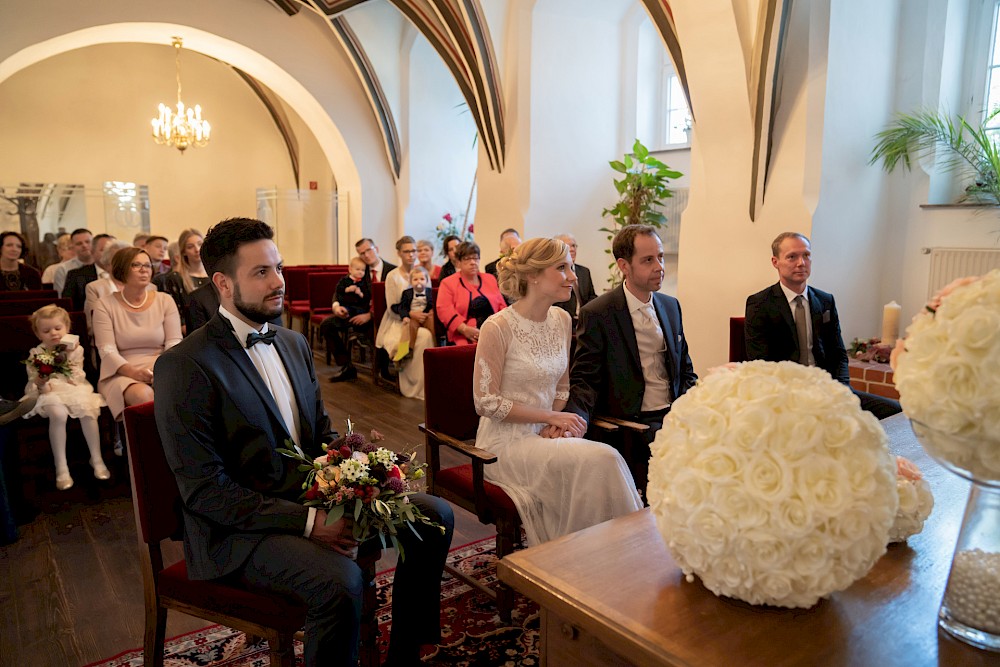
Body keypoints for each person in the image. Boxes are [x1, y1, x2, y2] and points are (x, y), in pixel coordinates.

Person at [154, 217, 454, 667]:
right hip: (237, 532)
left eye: (279, 267)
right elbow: (206, 491)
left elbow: (322, 437)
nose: (279, 282)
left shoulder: (293, 344)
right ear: (223, 283)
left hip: (309, 496)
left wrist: (367, 475)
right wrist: (312, 523)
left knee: (435, 515)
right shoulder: (185, 365)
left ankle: (405, 654)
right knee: (341, 581)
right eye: (261, 272)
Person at [473, 237, 642, 546]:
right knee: (603, 458)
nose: (573, 276)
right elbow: (486, 402)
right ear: (533, 275)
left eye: (572, 267)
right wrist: (552, 416)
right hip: (503, 445)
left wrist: (554, 423)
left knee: (598, 463)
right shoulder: (497, 327)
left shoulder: (562, 320)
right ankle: (597, 555)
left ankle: (603, 552)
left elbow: (562, 388)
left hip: (547, 435)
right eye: (562, 268)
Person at [567, 224, 698, 496]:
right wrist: (573, 420)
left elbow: (685, 369)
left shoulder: (671, 306)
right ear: (624, 266)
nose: (659, 266)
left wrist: (694, 407)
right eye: (648, 260)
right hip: (633, 426)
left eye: (660, 257)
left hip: (674, 416)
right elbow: (585, 380)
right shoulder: (600, 313)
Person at [744, 232, 903, 419]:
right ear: (775, 262)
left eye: (806, 255)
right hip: (786, 395)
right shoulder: (760, 303)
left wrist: (841, 390)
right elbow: (761, 362)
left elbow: (838, 354)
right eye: (792, 257)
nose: (801, 263)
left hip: (827, 389)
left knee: (895, 411)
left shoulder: (825, 300)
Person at [21, 305, 108, 490]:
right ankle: (61, 466)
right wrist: (43, 380)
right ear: (39, 334)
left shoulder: (76, 350)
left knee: (87, 410)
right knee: (58, 414)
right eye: (46, 330)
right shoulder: (36, 354)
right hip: (48, 391)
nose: (53, 333)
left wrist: (66, 356)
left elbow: (77, 377)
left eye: (58, 328)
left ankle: (97, 458)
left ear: (67, 329)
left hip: (73, 388)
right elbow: (37, 382)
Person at [93, 247, 182, 422]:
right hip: (121, 372)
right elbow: (107, 350)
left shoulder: (165, 300)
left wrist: (162, 369)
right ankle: (146, 448)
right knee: (144, 395)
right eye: (136, 265)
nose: (144, 270)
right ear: (122, 269)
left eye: (147, 265)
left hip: (162, 367)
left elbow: (174, 342)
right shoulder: (104, 305)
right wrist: (133, 373)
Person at [375, 237, 434, 399]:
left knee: (431, 333)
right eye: (406, 251)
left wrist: (425, 313)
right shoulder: (392, 276)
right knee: (424, 336)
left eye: (413, 251)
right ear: (399, 253)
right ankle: (412, 383)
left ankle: (431, 383)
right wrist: (409, 314)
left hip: (421, 318)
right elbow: (392, 307)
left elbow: (428, 298)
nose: (411, 255)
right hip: (399, 321)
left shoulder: (421, 273)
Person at [436, 241, 507, 345]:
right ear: (458, 262)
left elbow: (502, 306)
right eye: (467, 259)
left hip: (494, 331)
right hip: (462, 335)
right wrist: (464, 329)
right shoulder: (447, 283)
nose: (473, 262)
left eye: (475, 258)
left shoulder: (490, 279)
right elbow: (444, 310)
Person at [321, 257, 371, 381]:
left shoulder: (368, 279)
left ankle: (380, 367)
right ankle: (345, 364)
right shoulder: (345, 280)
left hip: (367, 314)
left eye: (362, 270)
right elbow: (338, 293)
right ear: (350, 269)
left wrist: (369, 314)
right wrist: (337, 307)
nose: (360, 272)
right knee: (327, 325)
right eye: (357, 269)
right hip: (348, 312)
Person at [159, 229, 210, 333]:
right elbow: (176, 314)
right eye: (190, 247)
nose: (197, 249)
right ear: (184, 252)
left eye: (200, 244)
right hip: (189, 333)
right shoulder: (175, 278)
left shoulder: (214, 275)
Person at [392, 264, 435, 363]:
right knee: (411, 326)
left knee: (432, 320)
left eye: (422, 279)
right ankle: (409, 349)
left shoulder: (430, 292)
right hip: (413, 317)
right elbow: (402, 307)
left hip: (426, 316)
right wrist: (405, 316)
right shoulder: (407, 293)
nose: (419, 281)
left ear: (427, 280)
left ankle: (435, 345)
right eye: (415, 279)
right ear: (410, 281)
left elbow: (432, 305)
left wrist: (427, 313)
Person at [63, 233, 115, 311]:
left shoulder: (126, 274)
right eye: (103, 250)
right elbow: (68, 307)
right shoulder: (76, 275)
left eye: (112, 251)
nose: (109, 254)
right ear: (92, 252)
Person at [553, 232, 597, 323]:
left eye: (574, 246)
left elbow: (592, 296)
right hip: (563, 321)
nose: (572, 249)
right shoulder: (555, 273)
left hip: (585, 321)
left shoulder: (584, 271)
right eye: (568, 246)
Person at [53, 228, 94, 295]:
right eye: (79, 243)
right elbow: (62, 298)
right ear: (73, 246)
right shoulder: (63, 269)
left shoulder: (102, 266)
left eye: (87, 242)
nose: (84, 245)